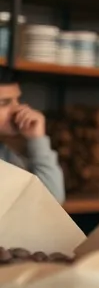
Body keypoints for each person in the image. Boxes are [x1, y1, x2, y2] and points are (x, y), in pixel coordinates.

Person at [0, 68, 64, 203]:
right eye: (4, 103)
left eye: (17, 100)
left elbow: (51, 203)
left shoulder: (5, 152)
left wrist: (37, 139)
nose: (17, 110)